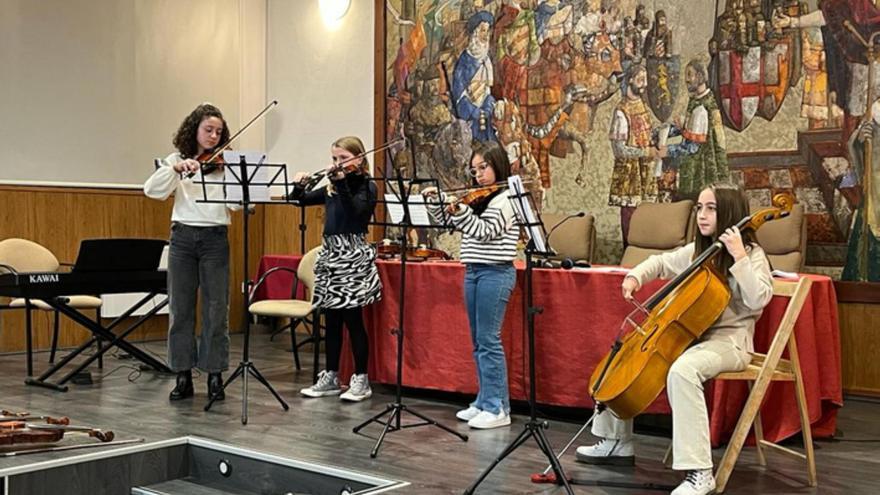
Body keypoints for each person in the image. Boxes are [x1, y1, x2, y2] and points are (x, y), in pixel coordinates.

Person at [577, 182, 773, 495]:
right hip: (695, 338)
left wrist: (739, 257)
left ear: (730, 214)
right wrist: (635, 276)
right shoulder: (701, 251)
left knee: (683, 370)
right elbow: (662, 262)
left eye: (711, 208)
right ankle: (616, 442)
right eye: (699, 208)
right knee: (622, 355)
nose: (702, 215)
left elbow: (758, 299)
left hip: (731, 342)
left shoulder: (752, 255)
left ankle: (700, 472)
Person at [422, 142, 519, 429]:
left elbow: (484, 231)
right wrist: (437, 203)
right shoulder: (477, 198)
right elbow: (449, 222)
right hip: (473, 270)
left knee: (489, 341)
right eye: (474, 170)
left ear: (497, 166)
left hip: (495, 273)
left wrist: (460, 211)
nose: (478, 175)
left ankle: (498, 407)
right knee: (478, 340)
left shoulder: (506, 199)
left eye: (484, 168)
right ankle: (483, 400)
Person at [144, 103, 236, 402]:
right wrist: (174, 169)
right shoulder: (176, 160)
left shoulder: (226, 163)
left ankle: (214, 375)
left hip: (215, 237)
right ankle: (182, 375)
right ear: (194, 129)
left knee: (215, 309)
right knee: (181, 309)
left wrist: (232, 175)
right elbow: (152, 191)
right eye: (208, 130)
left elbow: (239, 206)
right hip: (182, 237)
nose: (213, 136)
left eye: (218, 132)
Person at [292, 136, 382, 402]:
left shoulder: (367, 186)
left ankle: (361, 378)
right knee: (330, 320)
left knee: (353, 320)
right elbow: (299, 201)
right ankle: (330, 375)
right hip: (331, 253)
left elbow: (356, 214)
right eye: (334, 158)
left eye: (343, 158)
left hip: (352, 254)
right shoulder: (332, 187)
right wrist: (300, 185)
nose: (337, 164)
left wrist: (342, 182)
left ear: (359, 158)